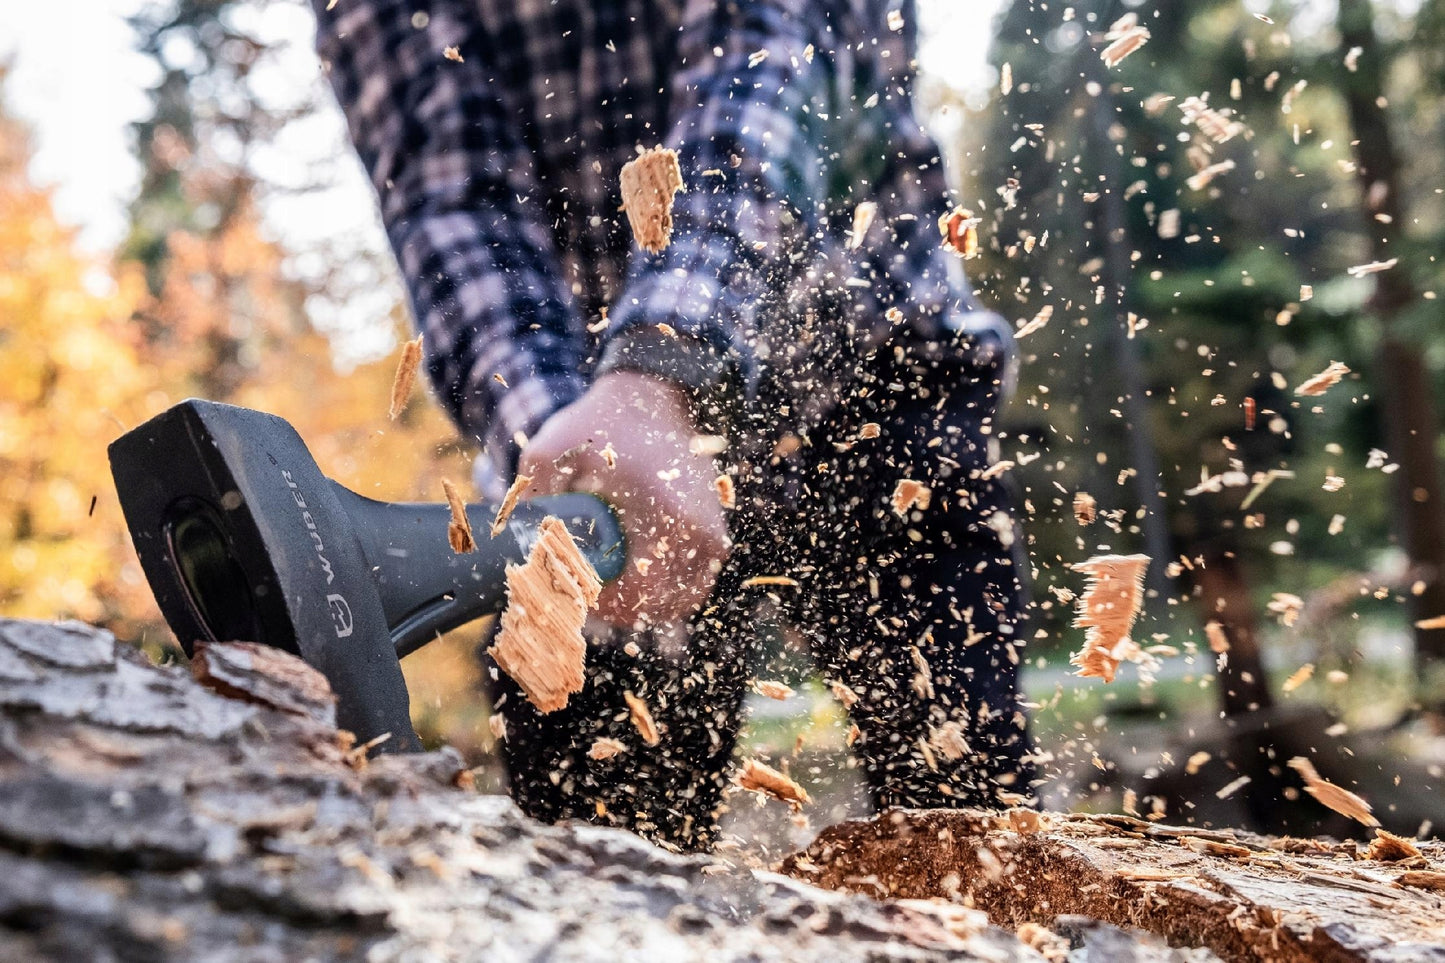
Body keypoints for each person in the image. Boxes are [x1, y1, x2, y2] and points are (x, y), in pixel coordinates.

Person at [311, 0, 1034, 851]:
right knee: (597, 849)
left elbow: (770, 61)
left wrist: (665, 361)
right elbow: (452, 202)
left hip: (871, 377)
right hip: (589, 410)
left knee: (969, 814)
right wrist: (566, 446)